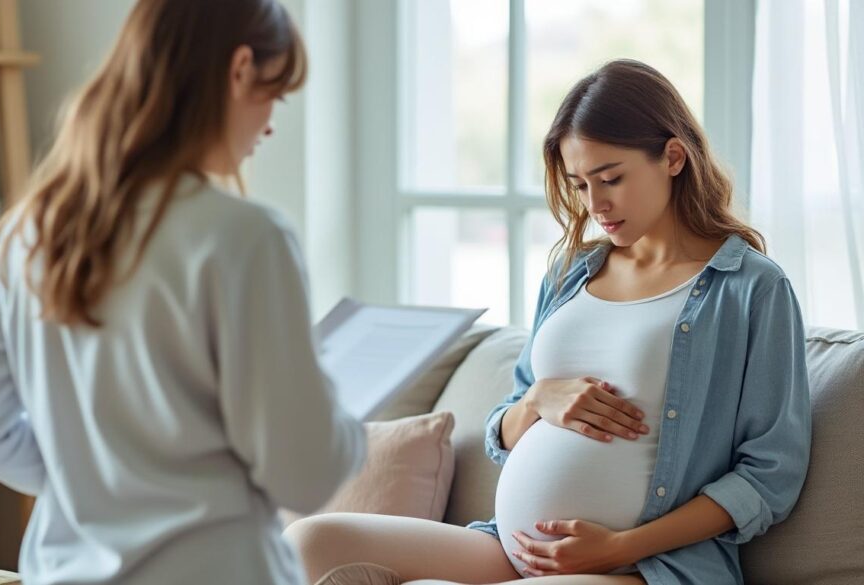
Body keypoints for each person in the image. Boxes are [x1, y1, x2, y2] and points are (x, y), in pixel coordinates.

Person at [286, 59, 811, 585]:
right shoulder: (568, 273)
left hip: (640, 566)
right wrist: (538, 400)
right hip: (508, 548)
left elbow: (770, 475)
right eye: (580, 184)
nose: (595, 204)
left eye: (611, 179)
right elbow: (506, 427)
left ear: (673, 157)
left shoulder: (751, 289)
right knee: (308, 544)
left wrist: (618, 547)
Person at [0, 1, 365, 583]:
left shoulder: (31, 231)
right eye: (275, 94)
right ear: (239, 69)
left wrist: (99, 486)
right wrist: (348, 423)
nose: (269, 124)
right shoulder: (246, 238)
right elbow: (306, 474)